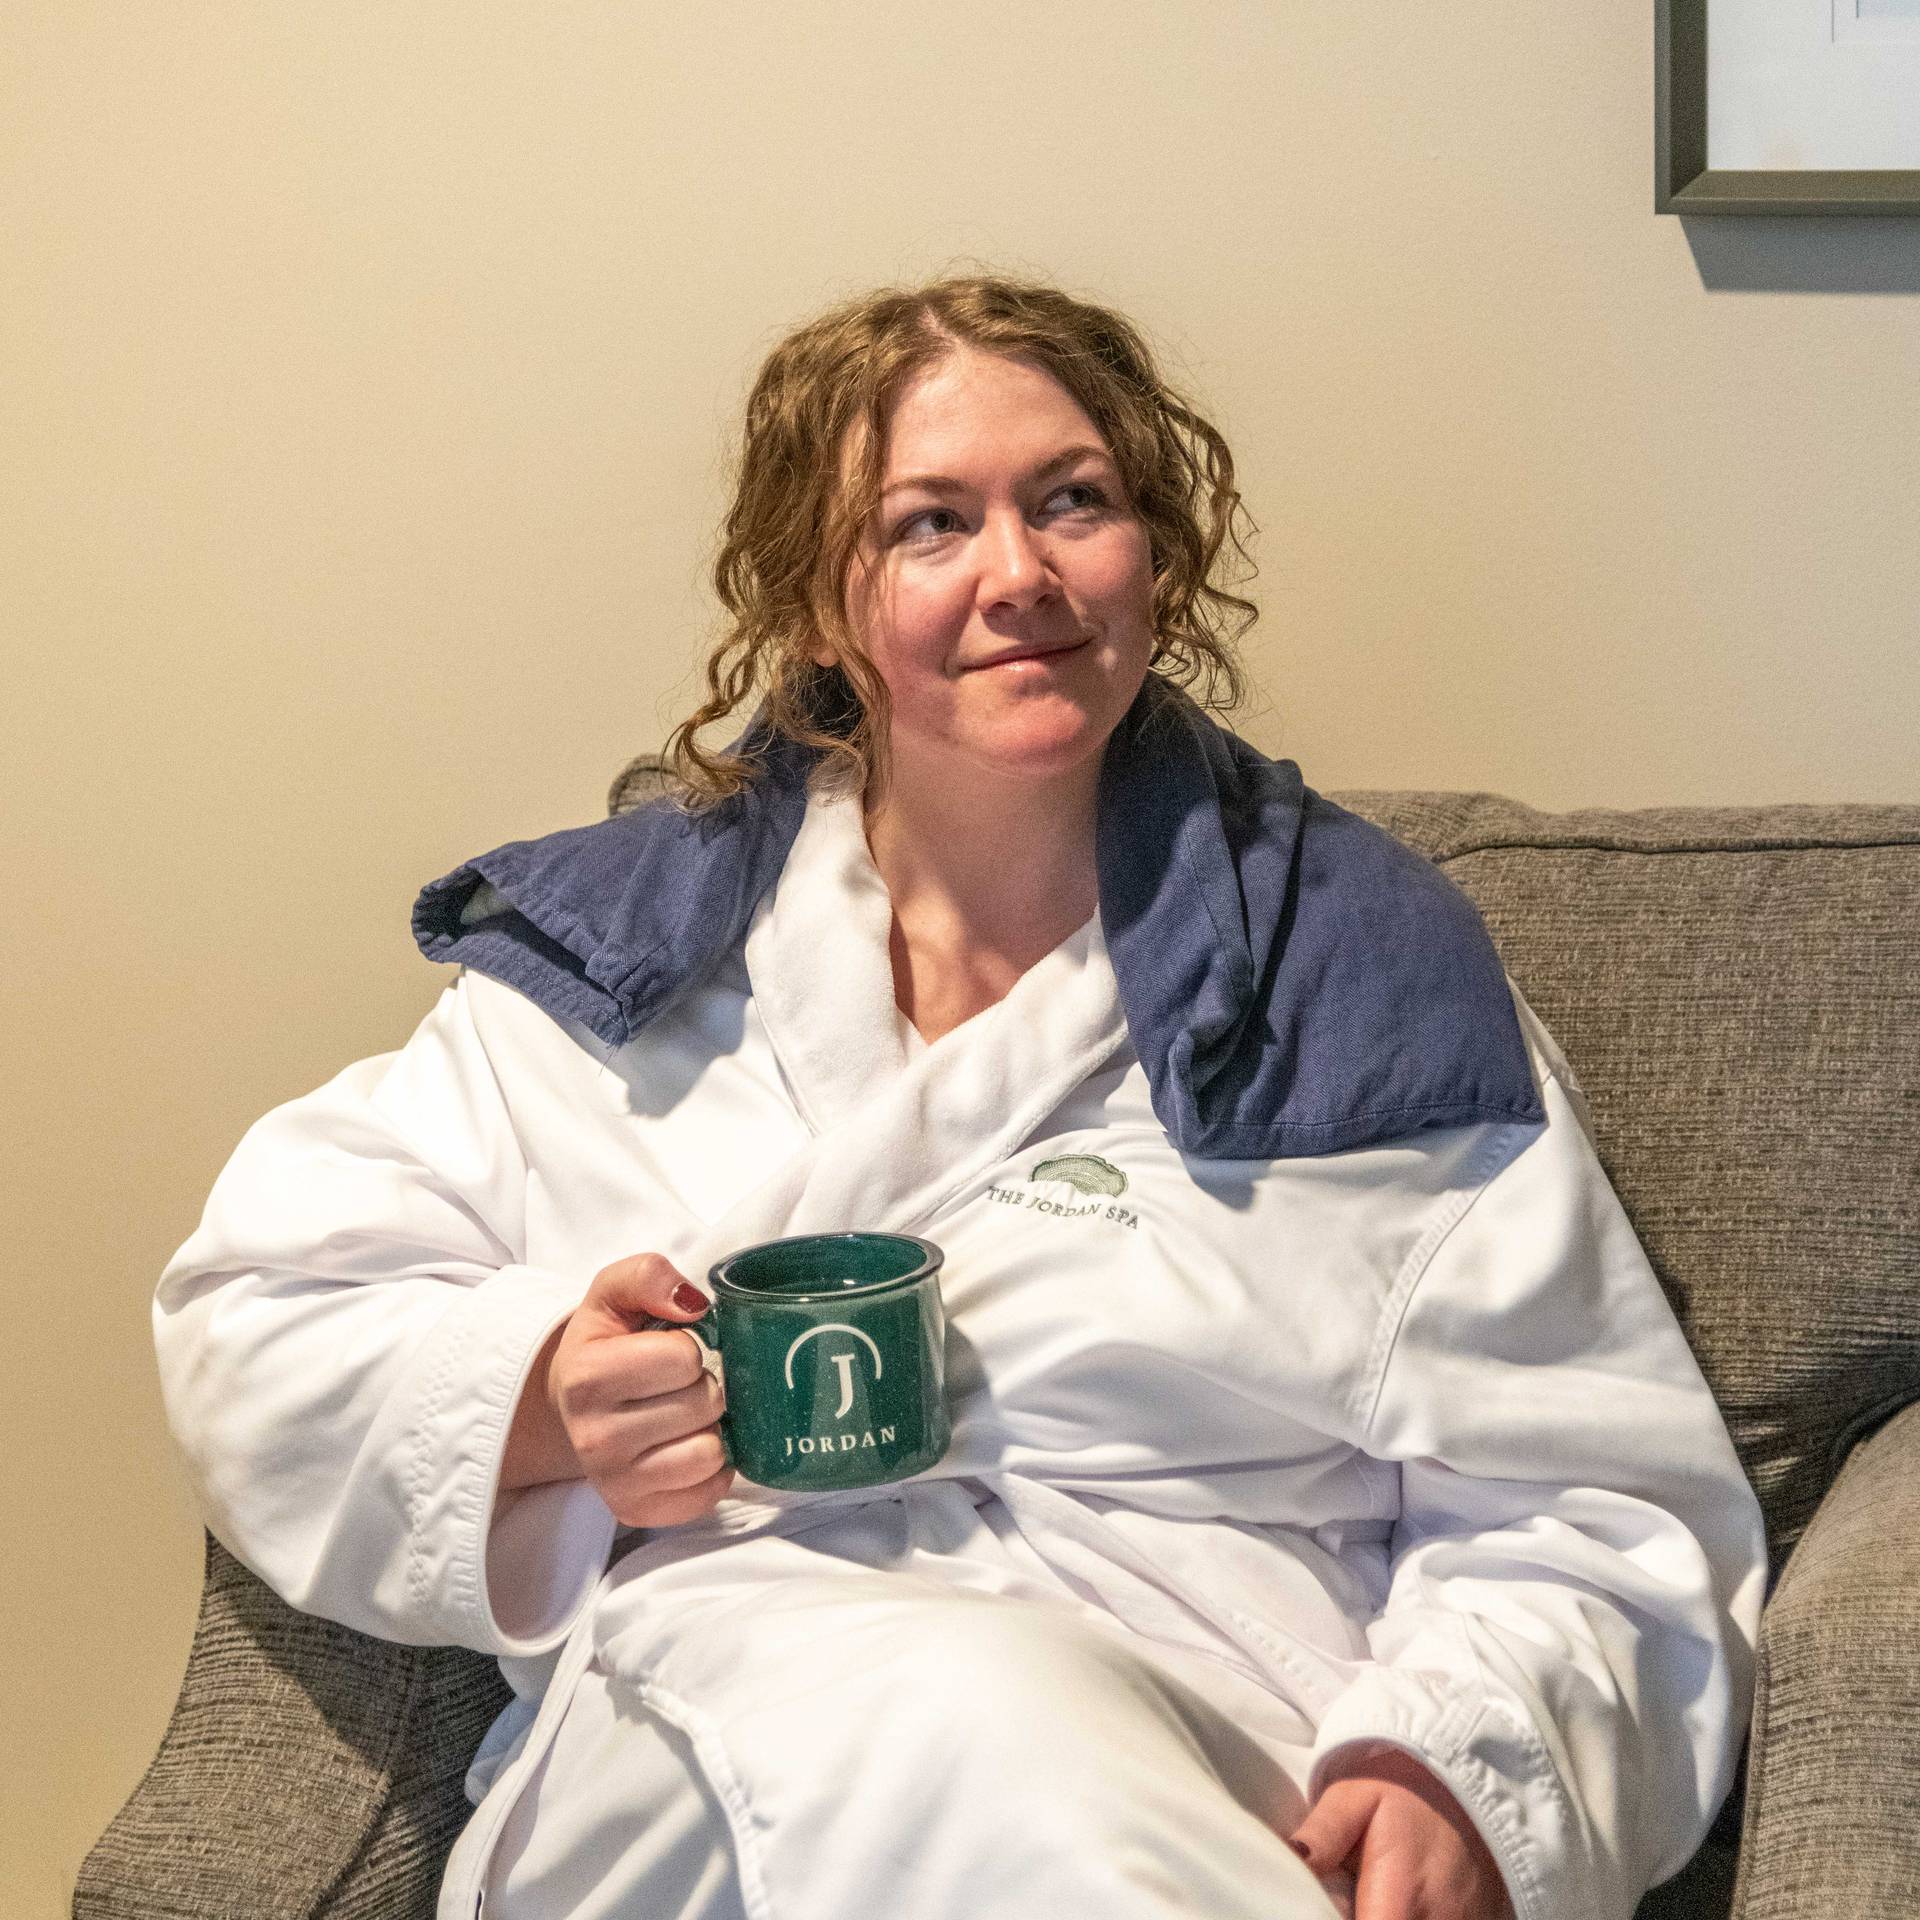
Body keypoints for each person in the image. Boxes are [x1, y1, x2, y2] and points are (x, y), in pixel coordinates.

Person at [154, 274, 1768, 1920]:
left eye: (1075, 501)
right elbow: (258, 1320)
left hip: (1202, 1733)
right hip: (704, 1734)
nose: (1023, 575)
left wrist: (1453, 1757)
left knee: (1008, 1733)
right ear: (816, 608)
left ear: (1157, 554)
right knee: (950, 1711)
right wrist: (536, 1398)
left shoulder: (1358, 973)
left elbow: (1596, 1501)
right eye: (932, 523)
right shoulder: (623, 971)